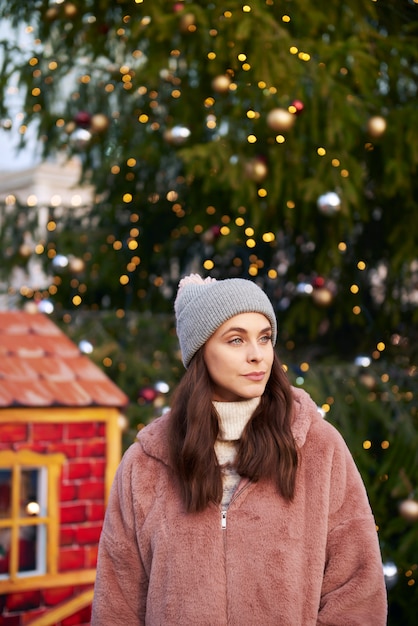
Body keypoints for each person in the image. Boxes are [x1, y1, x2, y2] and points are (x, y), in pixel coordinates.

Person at [91, 274, 387, 625]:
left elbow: (358, 590)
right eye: (235, 340)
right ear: (201, 352)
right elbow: (118, 603)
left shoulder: (319, 448)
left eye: (264, 338)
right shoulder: (146, 463)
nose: (257, 355)